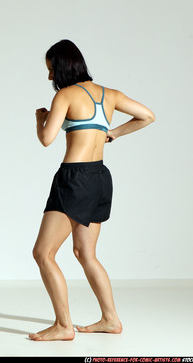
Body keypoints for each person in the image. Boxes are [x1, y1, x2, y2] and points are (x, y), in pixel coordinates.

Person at [29, 40, 155, 341]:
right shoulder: (109, 94)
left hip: (74, 178)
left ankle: (63, 326)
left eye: (51, 70)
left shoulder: (65, 95)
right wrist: (111, 134)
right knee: (85, 253)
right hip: (100, 177)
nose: (50, 78)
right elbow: (147, 115)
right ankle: (111, 320)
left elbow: (47, 139)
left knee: (43, 253)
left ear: (61, 67)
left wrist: (39, 120)